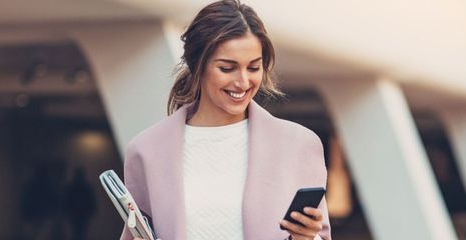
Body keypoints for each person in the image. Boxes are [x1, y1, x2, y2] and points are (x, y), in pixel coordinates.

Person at [120, 0, 331, 239]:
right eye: (227, 68)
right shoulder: (146, 150)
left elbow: (320, 236)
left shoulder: (299, 144)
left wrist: (305, 237)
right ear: (197, 65)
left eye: (253, 68)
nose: (242, 82)